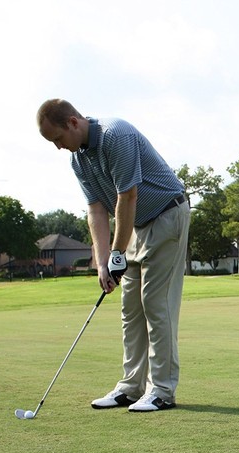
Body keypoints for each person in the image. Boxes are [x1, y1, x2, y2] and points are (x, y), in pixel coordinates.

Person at [36, 99, 190, 412]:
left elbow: (127, 196)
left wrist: (117, 252)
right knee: (130, 307)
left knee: (155, 304)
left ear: (73, 123)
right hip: (135, 224)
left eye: (58, 139)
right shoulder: (79, 160)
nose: (58, 147)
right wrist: (103, 261)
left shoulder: (115, 135)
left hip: (166, 215)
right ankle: (131, 387)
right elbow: (96, 210)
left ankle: (161, 390)